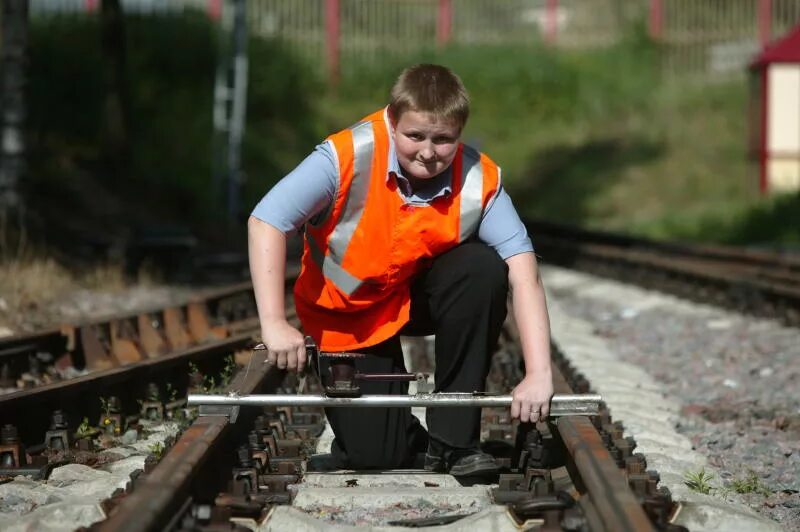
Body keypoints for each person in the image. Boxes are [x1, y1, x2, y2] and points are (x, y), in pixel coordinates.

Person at [248, 64, 553, 476]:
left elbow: (524, 272)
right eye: (416, 136)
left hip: (416, 298)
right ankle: (395, 439)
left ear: (460, 133)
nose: (428, 152)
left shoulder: (480, 178)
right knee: (377, 457)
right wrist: (273, 322)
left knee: (481, 268)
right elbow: (267, 220)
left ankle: (455, 444)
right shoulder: (343, 157)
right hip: (347, 314)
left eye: (443, 139)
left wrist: (538, 374)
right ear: (392, 121)